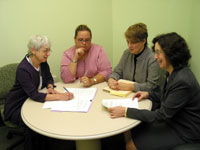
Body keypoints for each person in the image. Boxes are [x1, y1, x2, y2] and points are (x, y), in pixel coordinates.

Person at [108, 32, 200, 150]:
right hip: (173, 120)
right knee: (131, 131)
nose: (155, 57)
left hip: (184, 130)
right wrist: (148, 94)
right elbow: (166, 96)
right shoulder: (173, 72)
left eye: (158, 52)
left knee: (130, 145)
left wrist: (126, 111)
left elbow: (162, 115)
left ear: (171, 53)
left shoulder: (183, 81)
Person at [4, 35, 75, 150]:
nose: (48, 54)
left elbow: (48, 78)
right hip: (18, 105)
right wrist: (60, 96)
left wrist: (50, 86)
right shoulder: (23, 69)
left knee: (48, 118)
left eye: (49, 50)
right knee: (34, 125)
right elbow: (34, 95)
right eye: (45, 51)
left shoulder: (42, 62)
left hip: (32, 101)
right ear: (33, 50)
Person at [108, 23, 160, 92]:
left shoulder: (152, 58)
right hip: (124, 94)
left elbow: (152, 86)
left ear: (144, 41)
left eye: (133, 42)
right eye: (128, 42)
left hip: (144, 97)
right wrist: (112, 79)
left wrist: (131, 87)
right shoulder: (127, 53)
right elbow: (117, 72)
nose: (129, 46)